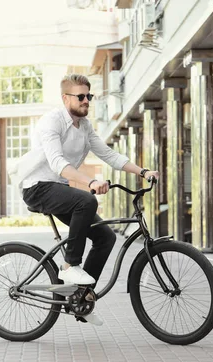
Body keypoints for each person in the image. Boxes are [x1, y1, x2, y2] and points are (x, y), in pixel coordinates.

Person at [20, 74, 159, 325]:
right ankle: (70, 266)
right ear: (66, 98)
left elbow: (108, 154)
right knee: (86, 200)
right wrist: (91, 182)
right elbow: (57, 163)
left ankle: (80, 299)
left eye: (89, 96)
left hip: (58, 188)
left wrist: (143, 171)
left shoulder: (84, 126)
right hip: (38, 187)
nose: (86, 101)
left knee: (105, 236)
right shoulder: (51, 122)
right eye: (81, 96)